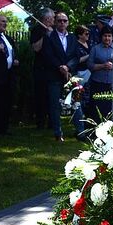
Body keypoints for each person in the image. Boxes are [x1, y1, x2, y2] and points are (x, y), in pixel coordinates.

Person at [41, 11, 77, 141]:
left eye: (65, 20)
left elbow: (75, 56)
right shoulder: (49, 37)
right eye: (60, 20)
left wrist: (68, 67)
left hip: (69, 75)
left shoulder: (72, 38)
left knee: (75, 102)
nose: (62, 23)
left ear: (68, 22)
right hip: (54, 75)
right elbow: (47, 55)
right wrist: (60, 67)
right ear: (55, 22)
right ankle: (58, 132)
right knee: (55, 104)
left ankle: (80, 131)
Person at [87, 27, 113, 123]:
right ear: (101, 37)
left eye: (109, 36)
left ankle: (112, 127)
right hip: (98, 84)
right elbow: (90, 65)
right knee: (98, 108)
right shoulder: (95, 49)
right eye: (105, 36)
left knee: (112, 107)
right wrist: (102, 66)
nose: (107, 38)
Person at [30, 8, 54, 129]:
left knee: (52, 95)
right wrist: (45, 35)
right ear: (46, 19)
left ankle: (52, 121)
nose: (53, 20)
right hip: (41, 68)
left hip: (52, 68)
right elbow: (36, 48)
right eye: (52, 18)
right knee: (41, 95)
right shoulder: (37, 30)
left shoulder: (54, 31)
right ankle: (40, 121)